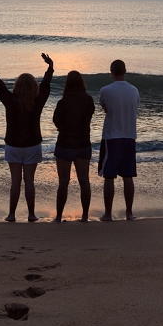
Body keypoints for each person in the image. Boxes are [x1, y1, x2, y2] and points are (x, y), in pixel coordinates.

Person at [0, 51, 54, 221]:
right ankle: (31, 214)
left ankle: (11, 214)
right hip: (33, 145)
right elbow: (46, 84)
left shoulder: (10, 99)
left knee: (15, 181)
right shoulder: (38, 100)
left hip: (13, 145)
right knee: (29, 181)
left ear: (17, 85)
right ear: (33, 86)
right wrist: (50, 67)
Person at [98, 58, 140, 221]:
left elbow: (104, 107)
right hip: (129, 135)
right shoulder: (134, 90)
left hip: (112, 136)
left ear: (111, 72)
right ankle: (129, 212)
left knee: (109, 176)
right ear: (125, 71)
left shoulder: (105, 90)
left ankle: (108, 213)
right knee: (128, 175)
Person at [51, 69, 94, 221]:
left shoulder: (63, 102)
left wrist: (63, 128)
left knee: (63, 182)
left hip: (65, 143)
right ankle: (85, 216)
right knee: (84, 180)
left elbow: (56, 120)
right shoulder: (88, 100)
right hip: (83, 143)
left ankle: (58, 216)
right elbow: (89, 116)